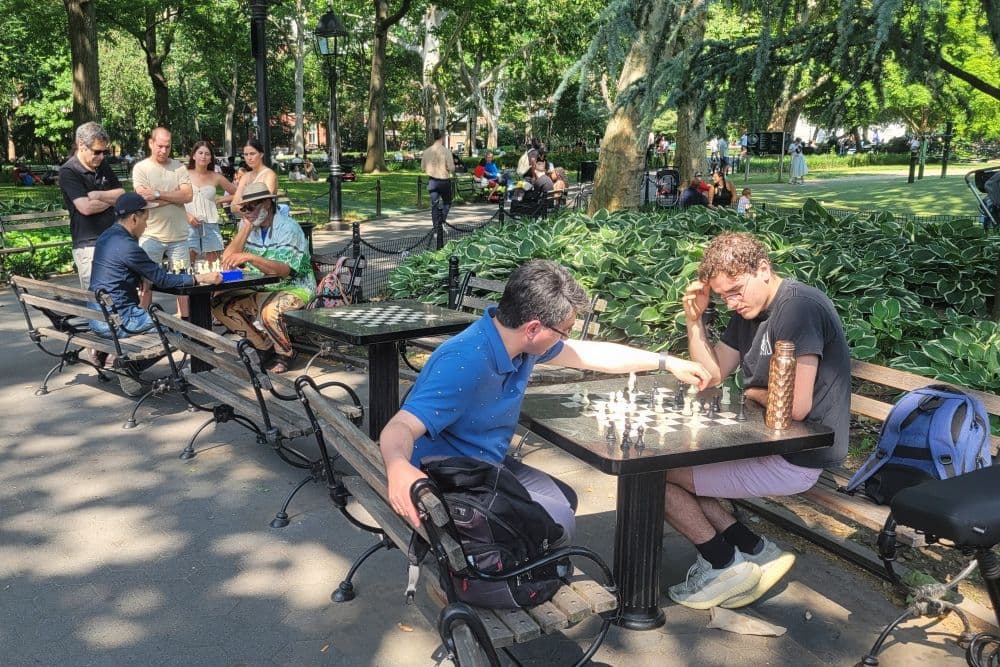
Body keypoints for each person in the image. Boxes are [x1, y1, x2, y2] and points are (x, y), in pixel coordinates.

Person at [380, 259, 712, 532]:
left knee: (565, 498)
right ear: (534, 328)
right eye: (563, 332)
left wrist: (666, 362)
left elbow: (591, 354)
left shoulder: (516, 343)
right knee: (558, 523)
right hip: (448, 480)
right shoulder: (465, 362)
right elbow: (400, 427)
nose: (564, 340)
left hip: (484, 464)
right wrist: (396, 467)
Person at [667, 232, 850, 610]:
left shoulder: (798, 309)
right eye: (723, 297)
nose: (732, 303)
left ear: (763, 269)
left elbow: (796, 408)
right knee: (671, 466)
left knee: (652, 477)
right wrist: (695, 321)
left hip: (796, 458)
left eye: (736, 290)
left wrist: (754, 394)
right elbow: (712, 374)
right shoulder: (748, 310)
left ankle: (722, 566)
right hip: (765, 442)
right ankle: (754, 549)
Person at [89, 193, 221, 392]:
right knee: (180, 329)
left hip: (98, 316)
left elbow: (118, 270)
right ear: (134, 217)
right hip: (121, 320)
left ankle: (104, 353)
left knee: (168, 321)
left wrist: (138, 276)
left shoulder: (107, 237)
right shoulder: (128, 247)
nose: (147, 223)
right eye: (145, 217)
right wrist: (200, 278)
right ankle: (129, 367)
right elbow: (163, 280)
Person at [213, 183, 315, 374]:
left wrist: (250, 257)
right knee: (219, 305)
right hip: (264, 288)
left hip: (295, 288)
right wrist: (245, 228)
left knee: (269, 312)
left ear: (267, 203)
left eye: (251, 207)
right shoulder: (250, 226)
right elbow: (226, 260)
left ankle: (285, 353)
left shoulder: (288, 228)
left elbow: (283, 271)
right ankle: (263, 346)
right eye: (243, 208)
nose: (247, 212)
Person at [132, 127, 194, 317]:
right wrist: (175, 196)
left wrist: (158, 194)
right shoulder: (141, 168)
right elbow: (144, 201)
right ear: (151, 143)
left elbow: (188, 195)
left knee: (182, 281)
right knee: (146, 282)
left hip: (179, 236)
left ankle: (184, 320)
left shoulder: (179, 167)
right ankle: (143, 320)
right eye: (159, 146)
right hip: (151, 235)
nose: (163, 150)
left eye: (167, 147)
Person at [58, 122, 126, 290]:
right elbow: (85, 208)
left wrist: (98, 196)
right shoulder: (68, 171)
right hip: (88, 244)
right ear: (81, 144)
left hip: (113, 238)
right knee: (97, 299)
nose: (101, 156)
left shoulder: (102, 165)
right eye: (97, 152)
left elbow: (121, 194)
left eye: (105, 152)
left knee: (120, 294)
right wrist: (111, 200)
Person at [185, 141, 236, 264]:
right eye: (200, 153)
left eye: (207, 154)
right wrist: (187, 215)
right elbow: (174, 199)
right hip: (188, 224)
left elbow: (238, 193)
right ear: (193, 156)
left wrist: (221, 199)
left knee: (214, 264)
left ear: (211, 158)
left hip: (210, 223)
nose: (203, 156)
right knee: (187, 263)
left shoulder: (216, 176)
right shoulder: (183, 175)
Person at [421, 129, 454, 231]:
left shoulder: (426, 151)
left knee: (434, 205)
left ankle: (436, 227)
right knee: (447, 202)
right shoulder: (446, 151)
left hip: (432, 181)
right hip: (444, 181)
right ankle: (441, 220)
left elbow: (422, 167)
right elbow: (451, 168)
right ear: (442, 138)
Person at [231, 139, 278, 208]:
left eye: (252, 154)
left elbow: (265, 204)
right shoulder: (245, 176)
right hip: (246, 216)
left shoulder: (269, 175)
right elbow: (234, 205)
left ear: (261, 154)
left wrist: (242, 206)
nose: (249, 158)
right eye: (246, 154)